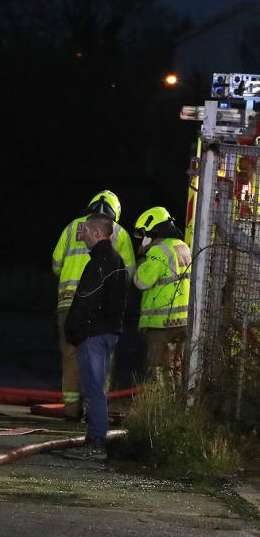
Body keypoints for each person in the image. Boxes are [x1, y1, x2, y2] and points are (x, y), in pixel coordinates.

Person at [52, 190, 135, 421]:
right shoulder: (119, 233)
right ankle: (93, 412)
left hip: (67, 302)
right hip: (102, 309)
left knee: (70, 356)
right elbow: (127, 273)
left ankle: (71, 411)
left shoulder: (71, 228)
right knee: (100, 360)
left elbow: (56, 264)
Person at [63, 216, 128, 460]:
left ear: (99, 233)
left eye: (87, 232)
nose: (83, 236)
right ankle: (94, 439)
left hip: (93, 335)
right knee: (95, 386)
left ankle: (96, 442)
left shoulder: (99, 264)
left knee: (93, 388)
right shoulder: (118, 262)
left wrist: (73, 330)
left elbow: (85, 301)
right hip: (109, 332)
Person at [133, 207, 191, 391]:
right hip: (182, 321)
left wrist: (142, 258)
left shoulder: (159, 251)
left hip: (161, 323)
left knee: (158, 367)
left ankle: (165, 407)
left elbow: (141, 281)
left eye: (143, 234)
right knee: (175, 366)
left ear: (152, 232)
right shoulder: (183, 247)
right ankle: (178, 406)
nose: (142, 239)